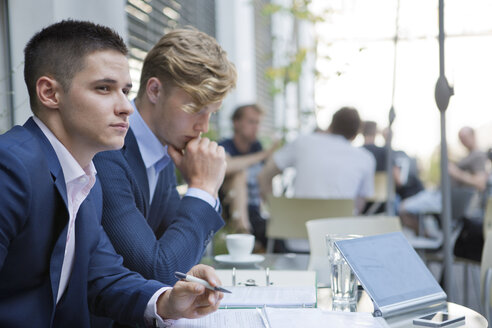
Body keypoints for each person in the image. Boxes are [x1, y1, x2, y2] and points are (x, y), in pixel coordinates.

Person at [0, 20, 223, 327]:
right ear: (50, 93)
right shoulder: (9, 168)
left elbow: (103, 277)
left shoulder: (85, 178)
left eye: (125, 90)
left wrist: (167, 301)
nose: (126, 107)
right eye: (104, 88)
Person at [93, 28, 237, 285]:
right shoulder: (106, 152)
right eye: (196, 109)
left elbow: (177, 255)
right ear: (155, 91)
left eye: (211, 113)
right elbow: (158, 270)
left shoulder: (163, 149)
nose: (203, 127)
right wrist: (203, 188)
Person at [258, 106, 376, 214]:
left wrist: (276, 212)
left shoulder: (303, 142)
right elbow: (358, 205)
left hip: (294, 231)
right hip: (340, 233)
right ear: (355, 135)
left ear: (330, 126)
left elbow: (264, 175)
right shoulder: (366, 158)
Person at [399, 126, 488, 233]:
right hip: (439, 194)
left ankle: (428, 236)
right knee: (403, 208)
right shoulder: (468, 155)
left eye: (464, 137)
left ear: (473, 135)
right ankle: (428, 235)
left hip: (445, 198)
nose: (462, 141)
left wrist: (456, 172)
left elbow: (480, 183)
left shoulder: (478, 155)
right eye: (460, 139)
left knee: (403, 208)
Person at [218, 104, 279, 248]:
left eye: (258, 122)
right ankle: (243, 233)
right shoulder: (225, 146)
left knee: (279, 243)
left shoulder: (256, 146)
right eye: (251, 122)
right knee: (238, 174)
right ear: (236, 123)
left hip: (254, 212)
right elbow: (226, 166)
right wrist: (263, 155)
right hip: (228, 210)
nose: (256, 127)